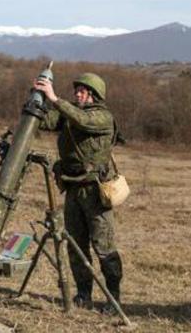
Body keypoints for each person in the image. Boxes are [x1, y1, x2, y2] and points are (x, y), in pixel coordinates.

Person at [34, 72, 123, 314]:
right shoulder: (71, 112)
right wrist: (37, 100)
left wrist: (54, 99)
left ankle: (113, 298)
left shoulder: (103, 117)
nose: (78, 94)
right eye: (77, 90)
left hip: (95, 192)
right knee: (76, 246)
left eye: (83, 91)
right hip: (73, 189)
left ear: (94, 95)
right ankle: (84, 294)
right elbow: (46, 122)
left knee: (103, 246)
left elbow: (83, 120)